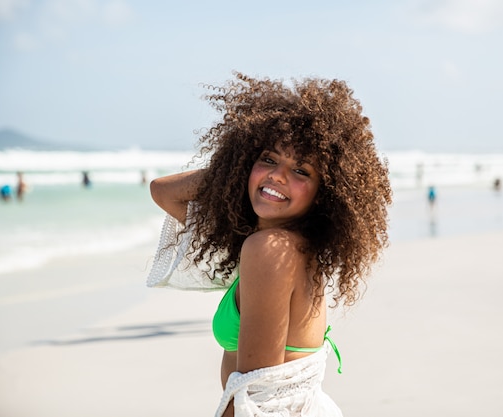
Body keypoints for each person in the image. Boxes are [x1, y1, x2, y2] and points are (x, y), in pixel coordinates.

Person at [147, 73, 392, 417]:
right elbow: (163, 192)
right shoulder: (285, 245)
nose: (278, 176)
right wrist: (234, 171)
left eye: (301, 171)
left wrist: (249, 171)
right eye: (269, 159)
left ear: (326, 194)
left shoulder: (271, 249)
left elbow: (254, 396)